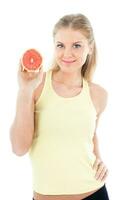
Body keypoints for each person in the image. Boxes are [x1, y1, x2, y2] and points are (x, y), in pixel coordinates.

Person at [10, 13, 110, 200]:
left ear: (90, 47)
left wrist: (100, 160)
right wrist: (24, 91)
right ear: (54, 47)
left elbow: (89, 136)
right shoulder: (36, 85)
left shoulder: (98, 95)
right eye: (60, 45)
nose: (67, 54)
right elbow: (19, 148)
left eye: (77, 45)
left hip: (93, 193)